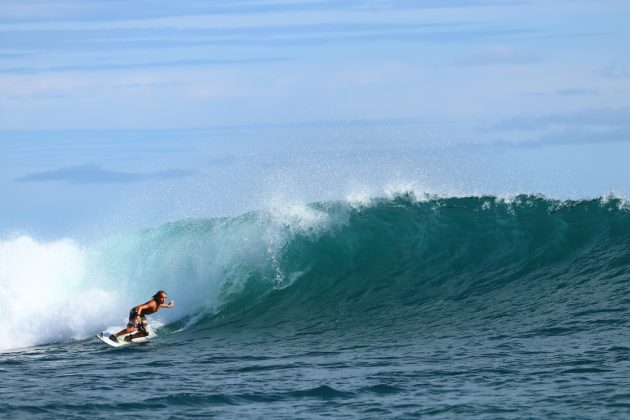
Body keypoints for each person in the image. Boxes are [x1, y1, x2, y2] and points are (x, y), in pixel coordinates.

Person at [109, 290, 174, 343]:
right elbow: (140, 307)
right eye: (162, 297)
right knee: (133, 328)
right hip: (135, 312)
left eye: (165, 298)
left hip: (141, 315)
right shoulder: (152, 303)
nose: (163, 299)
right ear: (157, 297)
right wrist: (137, 316)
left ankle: (129, 338)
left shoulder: (160, 304)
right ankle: (114, 336)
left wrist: (169, 305)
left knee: (145, 333)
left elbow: (166, 306)